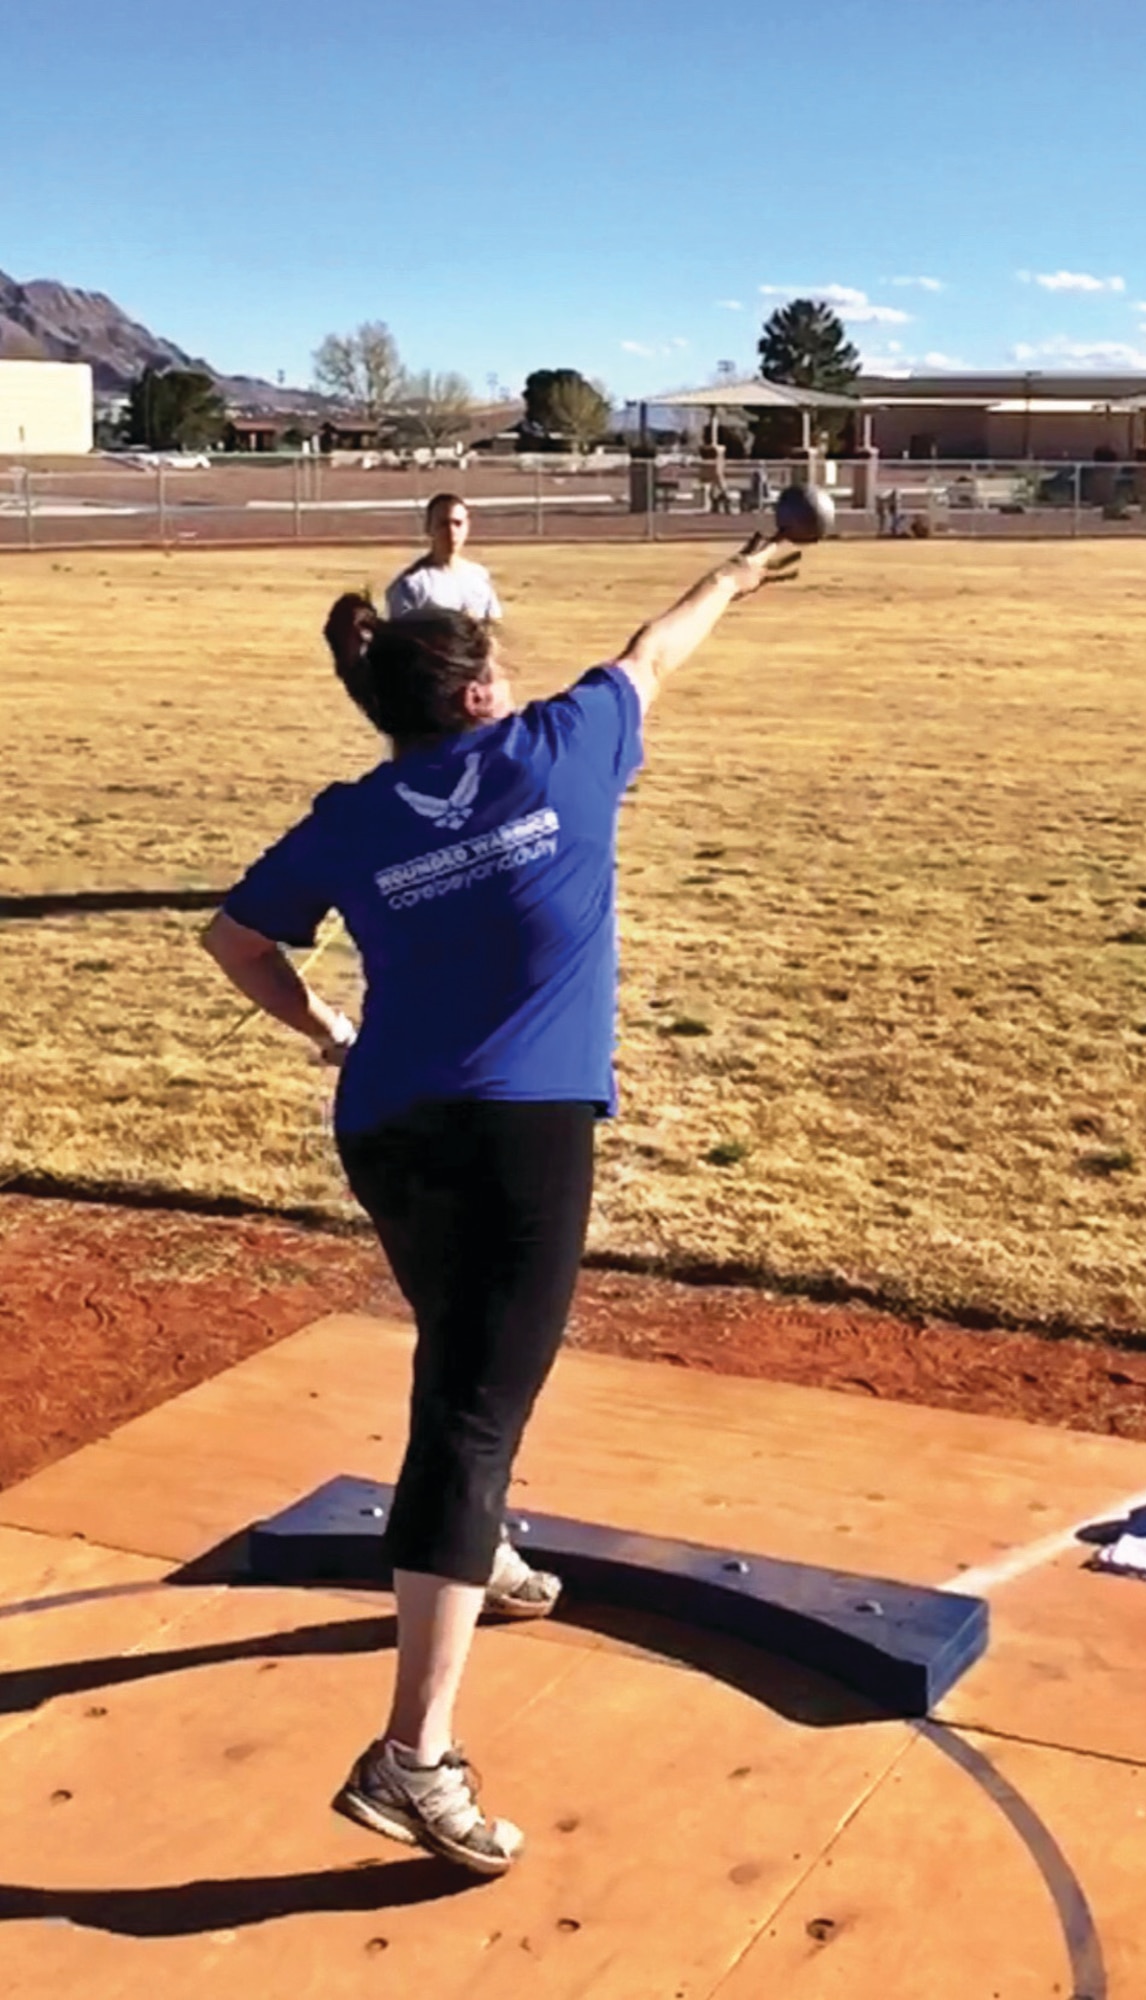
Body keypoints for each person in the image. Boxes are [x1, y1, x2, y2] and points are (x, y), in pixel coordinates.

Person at [202, 532, 800, 1876]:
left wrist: (319, 1029)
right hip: (518, 1135)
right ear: (477, 695)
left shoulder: (354, 814)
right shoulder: (555, 750)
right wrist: (738, 574)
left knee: (464, 1371)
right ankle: (411, 1759)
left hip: (386, 1130)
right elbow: (658, 650)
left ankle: (488, 1547)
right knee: (469, 1411)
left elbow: (233, 937)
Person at [385, 492, 501, 623]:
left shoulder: (479, 576)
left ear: (467, 526)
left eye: (458, 523)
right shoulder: (412, 585)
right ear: (428, 528)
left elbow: (493, 628)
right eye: (443, 524)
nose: (451, 532)